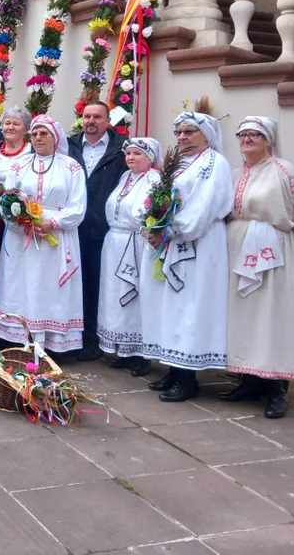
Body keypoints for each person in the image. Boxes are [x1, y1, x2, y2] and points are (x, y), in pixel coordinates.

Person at [223, 117, 294, 419]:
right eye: (243, 134)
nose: (247, 139)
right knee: (244, 316)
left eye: (255, 134)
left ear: (269, 139)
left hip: (275, 252)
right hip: (238, 248)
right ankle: (249, 380)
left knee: (274, 317)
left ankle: (277, 387)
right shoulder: (234, 173)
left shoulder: (285, 171)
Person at [140, 111, 232, 402]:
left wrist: (171, 229)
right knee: (173, 307)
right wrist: (155, 224)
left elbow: (204, 206)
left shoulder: (214, 163)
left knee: (191, 307)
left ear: (207, 135)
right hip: (175, 241)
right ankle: (175, 367)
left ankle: (188, 376)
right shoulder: (180, 164)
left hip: (200, 243)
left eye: (189, 132)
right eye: (178, 132)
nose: (181, 137)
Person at [0, 115, 86, 353]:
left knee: (49, 288)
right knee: (19, 285)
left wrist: (53, 222)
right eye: (34, 134)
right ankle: (12, 337)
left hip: (55, 239)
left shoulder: (71, 167)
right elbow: (7, 202)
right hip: (22, 238)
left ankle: (52, 343)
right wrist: (22, 223)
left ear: (56, 137)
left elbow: (78, 207)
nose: (38, 138)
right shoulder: (19, 166)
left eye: (44, 133)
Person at [97, 138, 162, 377]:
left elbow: (145, 211)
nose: (131, 158)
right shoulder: (126, 178)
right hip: (115, 241)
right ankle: (124, 349)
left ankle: (140, 354)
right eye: (129, 154)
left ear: (150, 158)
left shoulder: (154, 179)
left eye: (137, 154)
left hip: (136, 242)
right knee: (115, 294)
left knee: (135, 294)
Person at [68, 102, 128, 361]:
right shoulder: (69, 146)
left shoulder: (121, 148)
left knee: (100, 285)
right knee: (74, 284)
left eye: (97, 117)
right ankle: (76, 337)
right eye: (87, 116)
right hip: (73, 227)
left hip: (104, 229)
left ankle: (97, 340)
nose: (91, 121)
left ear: (107, 121)